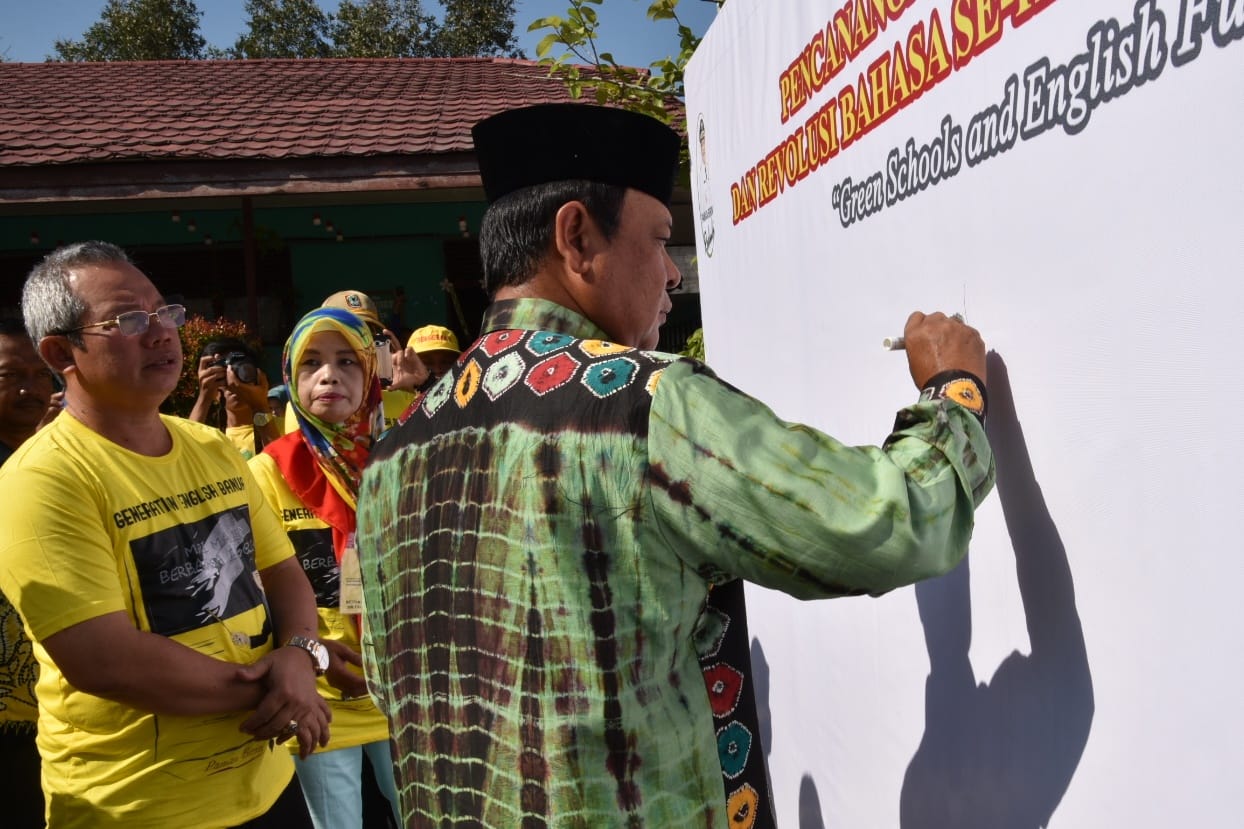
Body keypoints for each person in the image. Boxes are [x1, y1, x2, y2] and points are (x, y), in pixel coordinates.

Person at [354, 103, 995, 827]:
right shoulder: (645, 402)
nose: (672, 272)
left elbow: (390, 684)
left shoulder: (390, 455)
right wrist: (953, 397)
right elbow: (889, 520)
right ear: (576, 237)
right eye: (660, 239)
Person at [0, 241, 331, 828]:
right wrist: (286, 686)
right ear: (60, 351)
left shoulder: (208, 446)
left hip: (267, 780)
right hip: (139, 804)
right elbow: (108, 661)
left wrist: (302, 653)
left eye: (165, 312)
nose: (161, 333)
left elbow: (281, 573)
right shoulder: (42, 479)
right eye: (128, 320)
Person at [248, 307, 400, 829]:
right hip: (320, 690)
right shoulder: (267, 471)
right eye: (311, 363)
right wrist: (306, 660)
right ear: (291, 377)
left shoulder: (402, 456)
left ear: (371, 372)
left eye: (346, 362)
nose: (328, 375)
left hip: (401, 684)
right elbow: (260, 587)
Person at [0, 318, 60, 828]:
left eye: (39, 375)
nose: (28, 388)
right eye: (7, 376)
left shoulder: (66, 462)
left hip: (63, 704)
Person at [319, 291, 428, 430]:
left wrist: (411, 390)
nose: (361, 344)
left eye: (368, 333)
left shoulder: (404, 399)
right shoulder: (311, 404)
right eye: (348, 334)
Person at [189, 337, 281, 460]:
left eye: (239, 371)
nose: (232, 382)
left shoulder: (283, 427)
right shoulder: (207, 436)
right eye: (222, 376)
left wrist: (260, 406)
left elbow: (281, 468)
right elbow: (185, 456)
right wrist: (204, 397)